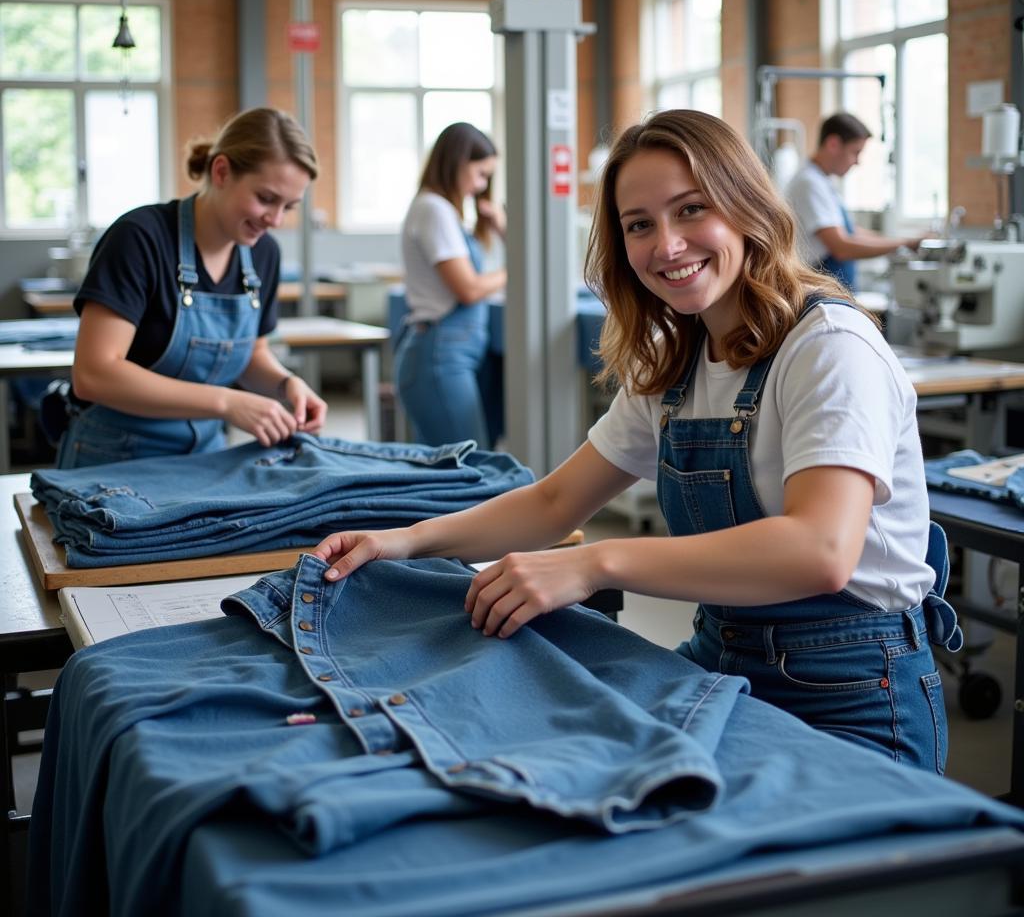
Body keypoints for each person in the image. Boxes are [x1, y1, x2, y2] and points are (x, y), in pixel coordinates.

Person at [314, 109, 962, 774]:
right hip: (723, 651)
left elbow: (819, 551)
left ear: (745, 205)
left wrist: (594, 564)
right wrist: (402, 541)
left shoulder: (827, 347)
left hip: (851, 687)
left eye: (690, 210)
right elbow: (554, 502)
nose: (668, 245)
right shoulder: (676, 365)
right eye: (640, 225)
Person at [56, 107, 327, 469]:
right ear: (221, 171)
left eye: (289, 207)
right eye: (265, 198)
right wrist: (226, 402)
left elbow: (252, 353)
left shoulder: (263, 253)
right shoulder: (140, 238)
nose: (275, 220)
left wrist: (284, 385)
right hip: (113, 458)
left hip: (206, 459)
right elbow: (94, 374)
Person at [394, 122, 507, 450]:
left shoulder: (443, 212)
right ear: (457, 163)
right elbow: (469, 289)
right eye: (481, 174)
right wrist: (511, 272)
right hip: (439, 355)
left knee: (452, 467)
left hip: (448, 354)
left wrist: (498, 227)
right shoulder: (434, 209)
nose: (481, 185)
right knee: (468, 464)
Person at [785, 112, 922, 291]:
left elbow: (850, 233)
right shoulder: (809, 183)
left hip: (833, 288)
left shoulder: (823, 181)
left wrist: (902, 241)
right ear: (833, 144)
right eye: (855, 152)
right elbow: (842, 247)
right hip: (821, 288)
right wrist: (904, 243)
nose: (857, 161)